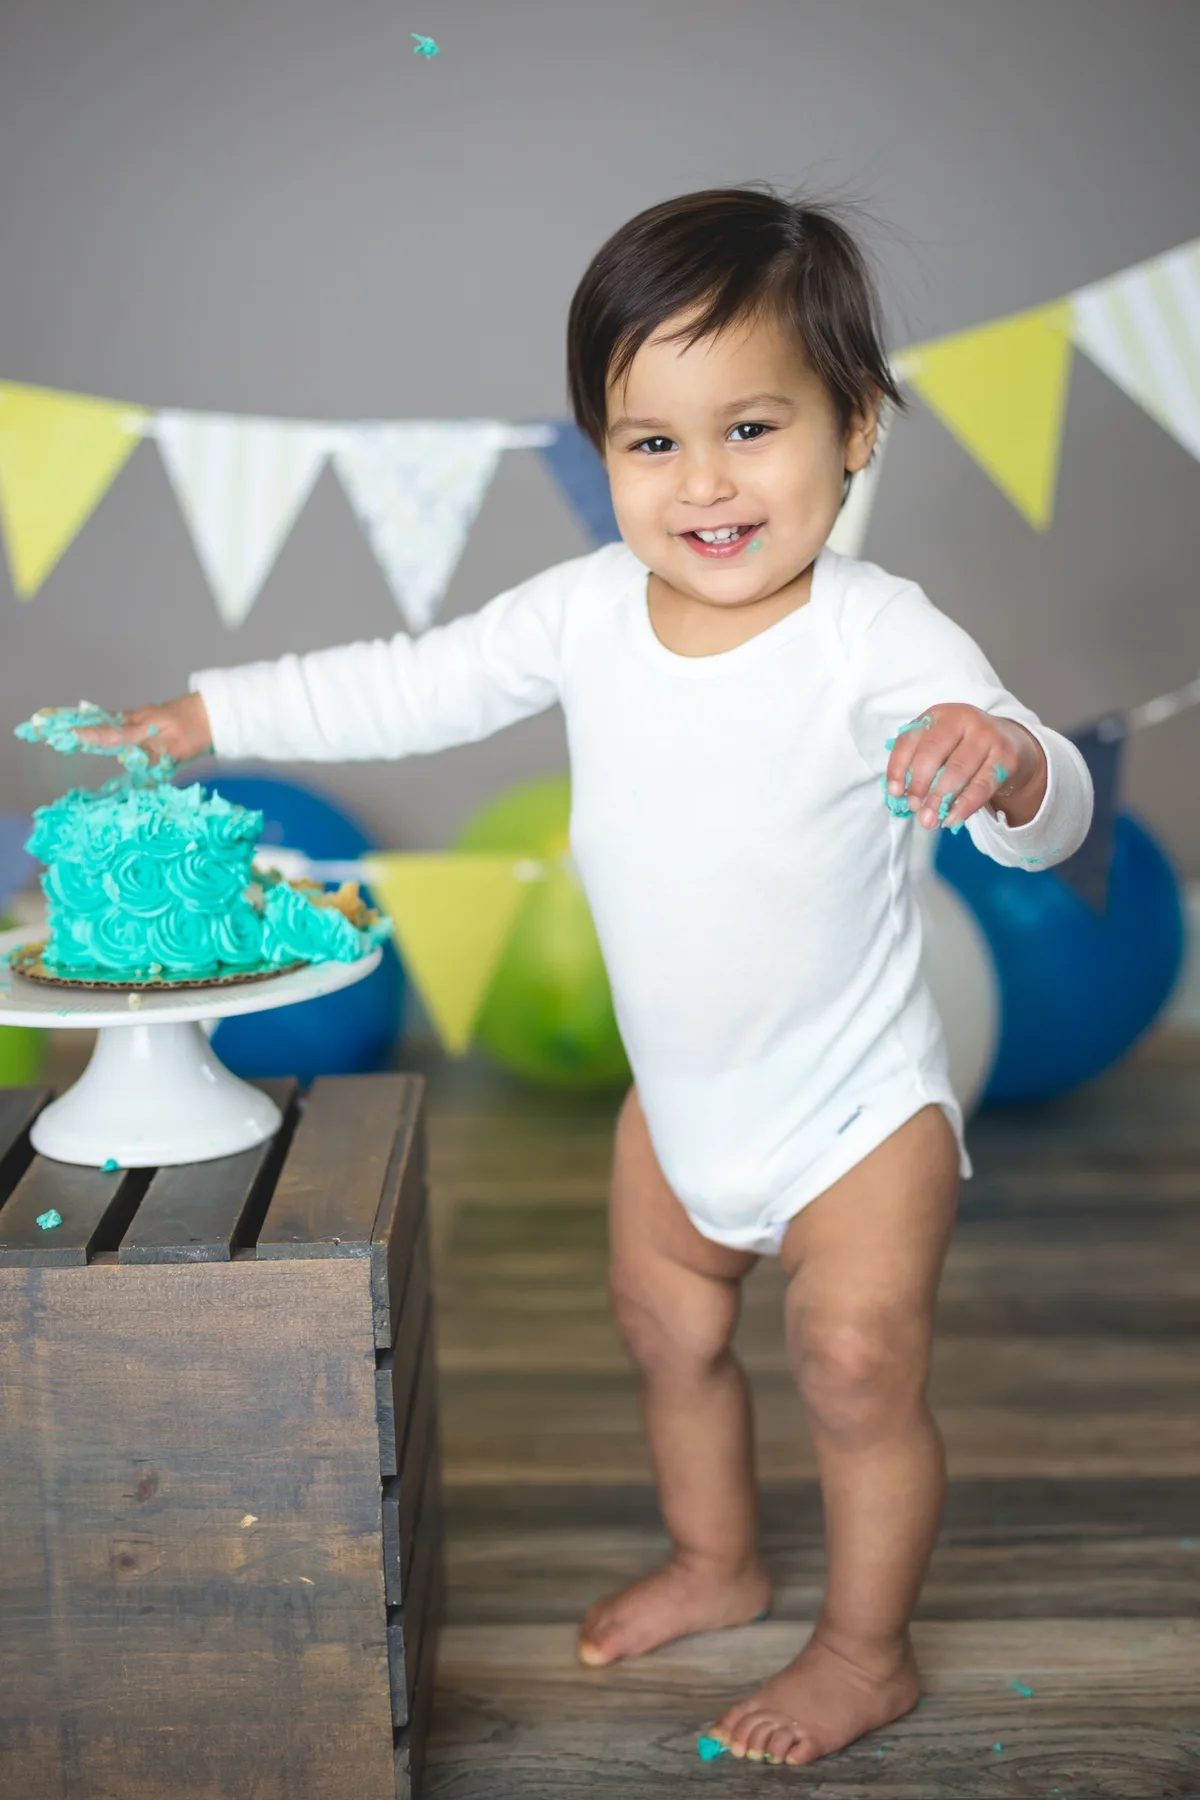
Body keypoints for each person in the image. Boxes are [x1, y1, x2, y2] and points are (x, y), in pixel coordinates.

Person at [88, 186, 1093, 1768]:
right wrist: (213, 715)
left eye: (752, 427)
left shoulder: (876, 634)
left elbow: (1054, 824)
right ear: (601, 452)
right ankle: (719, 1560)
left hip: (857, 1113)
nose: (703, 482)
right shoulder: (580, 616)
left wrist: (1015, 766)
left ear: (860, 428)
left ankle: (864, 1646)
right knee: (663, 1327)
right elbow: (404, 684)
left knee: (852, 1366)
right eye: (650, 441)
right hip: (682, 1106)